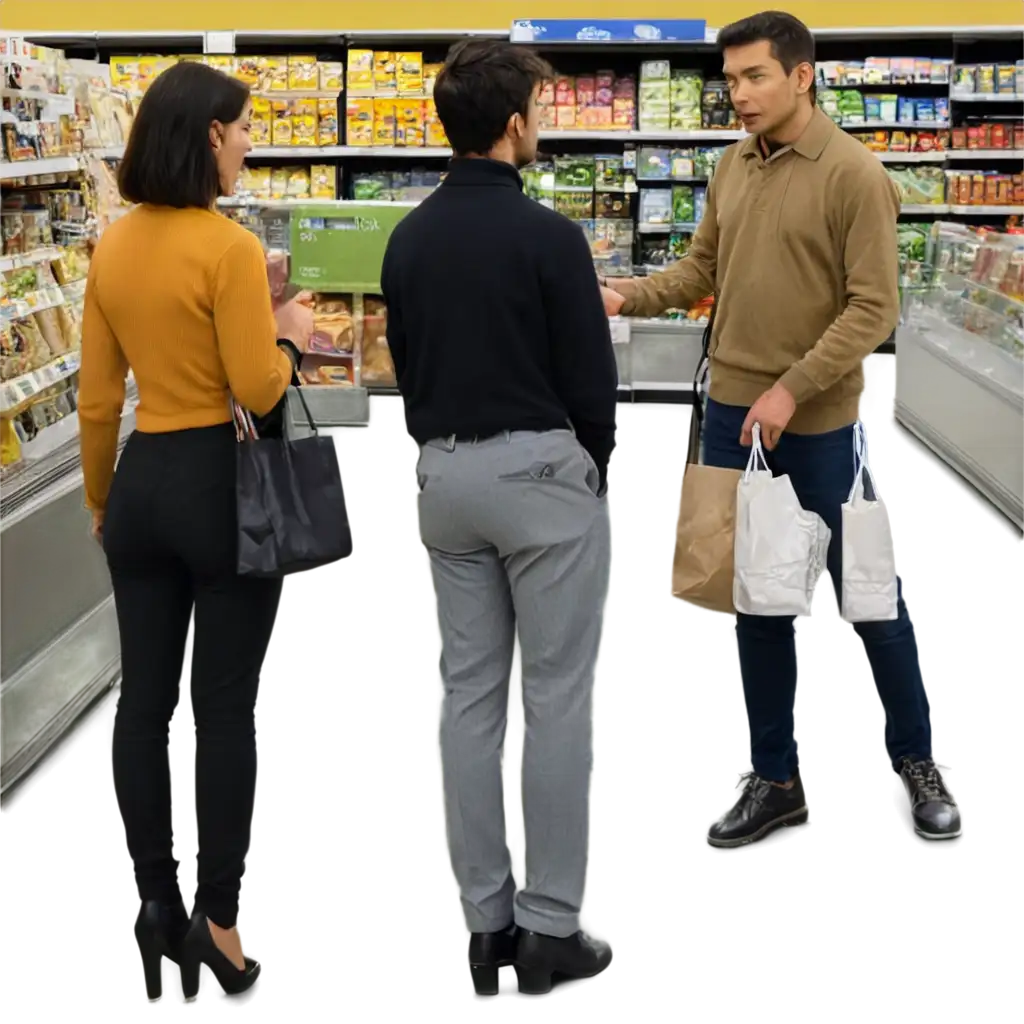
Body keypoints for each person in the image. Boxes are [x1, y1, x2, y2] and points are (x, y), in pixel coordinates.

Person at [602, 11, 963, 846]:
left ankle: (916, 759)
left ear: (802, 75)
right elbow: (702, 269)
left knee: (870, 594)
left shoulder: (854, 175)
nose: (740, 95)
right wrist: (626, 293)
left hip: (819, 424)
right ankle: (775, 777)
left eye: (755, 76)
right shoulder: (732, 166)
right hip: (733, 417)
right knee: (759, 600)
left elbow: (875, 308)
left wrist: (793, 389)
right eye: (730, 81)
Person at [380, 39, 618, 996]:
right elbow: (590, 380)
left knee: (468, 697)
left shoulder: (409, 238)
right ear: (515, 124)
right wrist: (589, 465)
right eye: (542, 109)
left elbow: (407, 360)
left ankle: (485, 928)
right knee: (555, 694)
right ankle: (553, 928)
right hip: (541, 474)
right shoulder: (551, 238)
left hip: (445, 477)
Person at [77, 61, 314, 1005]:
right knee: (224, 709)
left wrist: (102, 499)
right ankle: (219, 923)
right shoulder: (226, 248)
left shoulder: (109, 248)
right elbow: (258, 388)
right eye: (242, 128)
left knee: (142, 702)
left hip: (142, 482)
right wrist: (290, 329)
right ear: (207, 136)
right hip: (223, 484)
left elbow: (99, 402)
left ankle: (152, 903)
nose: (249, 143)